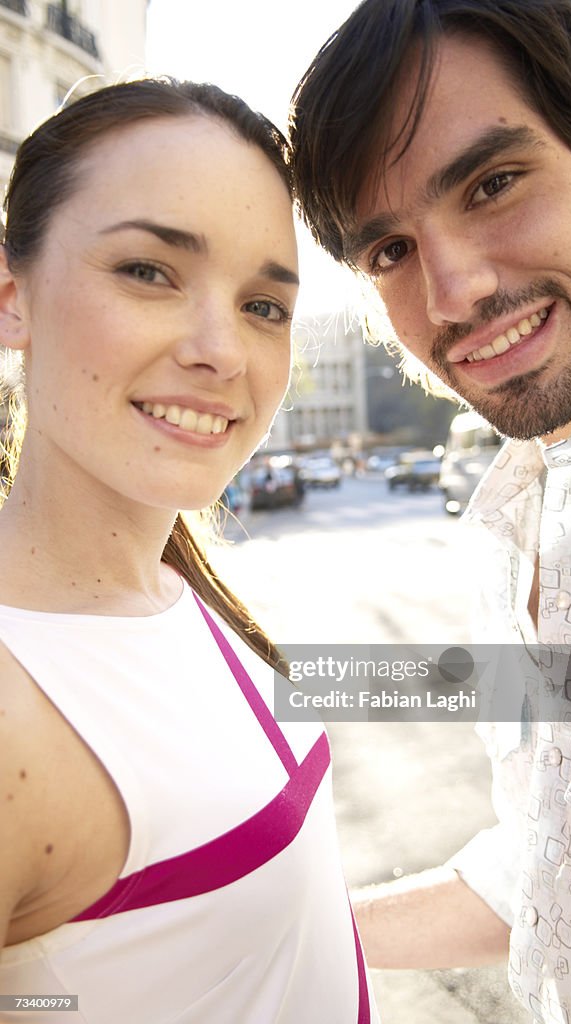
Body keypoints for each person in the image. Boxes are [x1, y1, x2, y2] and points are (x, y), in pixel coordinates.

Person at [289, 1, 571, 1020]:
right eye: (389, 251)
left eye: (493, 183)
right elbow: (566, 867)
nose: (454, 290)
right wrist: (264, 938)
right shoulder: (518, 500)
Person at [0, 79, 378, 1024]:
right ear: (13, 299)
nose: (222, 350)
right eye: (149, 271)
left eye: (264, 306)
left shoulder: (176, 582)